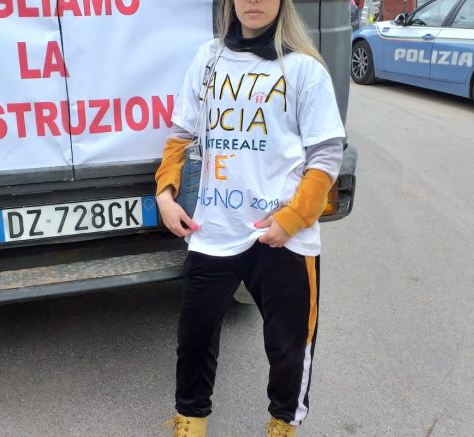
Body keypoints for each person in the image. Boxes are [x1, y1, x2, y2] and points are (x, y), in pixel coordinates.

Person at [155, 0, 345, 436]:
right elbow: (182, 134)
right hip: (212, 230)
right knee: (194, 341)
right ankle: (190, 424)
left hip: (281, 236)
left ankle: (282, 424)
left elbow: (325, 156)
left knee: (288, 348)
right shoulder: (208, 58)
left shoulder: (304, 69)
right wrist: (165, 194)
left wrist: (292, 219)